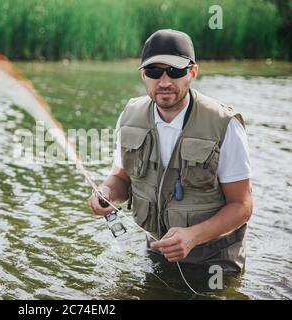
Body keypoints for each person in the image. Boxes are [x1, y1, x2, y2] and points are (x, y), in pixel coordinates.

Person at [89, 29, 253, 273]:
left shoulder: (224, 124)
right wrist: (107, 193)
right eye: (154, 72)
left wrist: (193, 236)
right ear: (143, 75)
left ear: (193, 73)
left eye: (175, 71)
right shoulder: (129, 116)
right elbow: (122, 178)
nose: (164, 82)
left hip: (216, 264)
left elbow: (242, 205)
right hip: (156, 253)